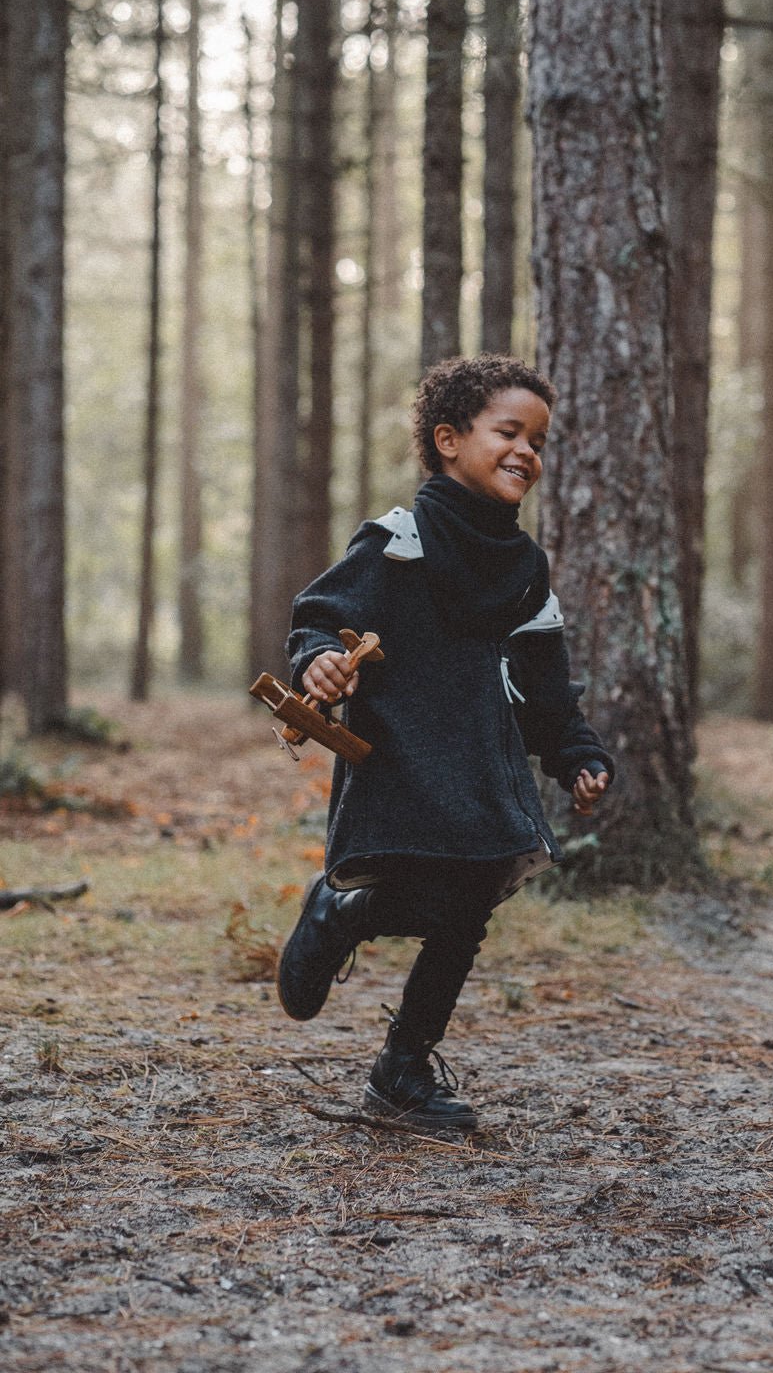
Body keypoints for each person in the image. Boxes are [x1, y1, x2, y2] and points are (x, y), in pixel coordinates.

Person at [277, 353, 614, 1132]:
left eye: (538, 440)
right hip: (402, 760)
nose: (527, 451)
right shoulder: (399, 543)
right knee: (442, 894)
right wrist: (321, 659)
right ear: (449, 439)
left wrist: (577, 756)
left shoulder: (526, 571)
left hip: (484, 773)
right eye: (508, 432)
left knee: (466, 910)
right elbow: (320, 615)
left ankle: (399, 1070)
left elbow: (546, 692)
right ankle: (339, 912)